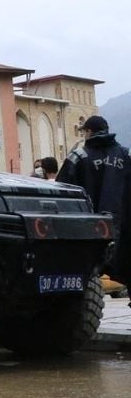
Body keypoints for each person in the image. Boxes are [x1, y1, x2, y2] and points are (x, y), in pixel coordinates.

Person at [58, 115, 130, 288]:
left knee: (85, 275)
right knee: (124, 265)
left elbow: (62, 189)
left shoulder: (78, 155)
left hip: (88, 227)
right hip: (121, 225)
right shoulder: (125, 154)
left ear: (88, 132)